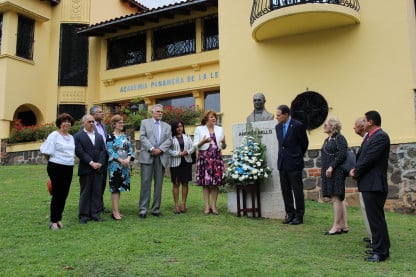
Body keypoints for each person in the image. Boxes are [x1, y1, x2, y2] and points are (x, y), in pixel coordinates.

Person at [350, 110, 391, 262]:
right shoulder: (371, 137)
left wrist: (356, 171)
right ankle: (381, 249)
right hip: (369, 183)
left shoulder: (380, 136)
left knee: (376, 219)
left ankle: (380, 252)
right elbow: (363, 157)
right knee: (376, 219)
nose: (363, 123)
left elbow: (369, 159)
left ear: (371, 122)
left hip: (374, 184)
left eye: (365, 120)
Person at [40, 113, 75, 230]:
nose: (67, 123)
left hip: (68, 167)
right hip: (56, 166)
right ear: (59, 123)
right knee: (57, 193)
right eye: (64, 121)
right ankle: (53, 221)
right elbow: (46, 151)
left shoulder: (71, 137)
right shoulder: (54, 135)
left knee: (64, 194)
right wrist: (52, 163)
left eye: (68, 121)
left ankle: (59, 218)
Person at [275, 104, 309, 225]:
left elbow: (304, 143)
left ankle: (299, 216)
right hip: (282, 163)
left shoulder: (298, 125)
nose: (277, 117)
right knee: (286, 190)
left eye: (278, 115)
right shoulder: (278, 127)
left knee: (297, 190)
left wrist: (297, 155)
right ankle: (290, 214)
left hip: (294, 163)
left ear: (286, 114)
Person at [138, 104, 172, 218]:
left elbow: (169, 140)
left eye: (161, 112)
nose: (160, 113)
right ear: (152, 113)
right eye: (158, 111)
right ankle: (143, 209)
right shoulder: (144, 122)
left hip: (161, 156)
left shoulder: (167, 126)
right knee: (145, 183)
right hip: (148, 155)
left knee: (159, 184)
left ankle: (156, 209)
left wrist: (160, 149)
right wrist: (152, 149)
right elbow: (142, 137)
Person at [74, 115, 107, 224]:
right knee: (85, 192)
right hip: (86, 168)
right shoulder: (78, 136)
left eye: (93, 122)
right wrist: (91, 163)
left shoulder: (99, 136)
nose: (92, 123)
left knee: (97, 192)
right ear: (83, 123)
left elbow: (103, 150)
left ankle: (95, 214)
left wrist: (100, 163)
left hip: (98, 169)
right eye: (89, 122)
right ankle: (84, 215)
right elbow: (80, 152)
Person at [193, 110, 226, 215]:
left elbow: (223, 147)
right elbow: (195, 145)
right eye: (212, 117)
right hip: (204, 158)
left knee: (215, 184)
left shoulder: (220, 129)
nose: (214, 118)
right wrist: (203, 141)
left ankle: (214, 206)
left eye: (215, 117)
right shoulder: (199, 129)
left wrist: (224, 143)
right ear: (206, 118)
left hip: (216, 158)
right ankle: (207, 206)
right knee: (206, 184)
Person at [321, 117, 349, 235]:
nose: (324, 126)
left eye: (326, 125)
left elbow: (342, 154)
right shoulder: (328, 139)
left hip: (336, 171)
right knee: (338, 198)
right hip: (328, 171)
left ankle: (336, 226)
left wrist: (332, 166)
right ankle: (344, 225)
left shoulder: (339, 138)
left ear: (332, 126)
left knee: (336, 197)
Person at [107, 115, 135, 220]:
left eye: (122, 122)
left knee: (119, 188)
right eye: (119, 122)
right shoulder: (109, 137)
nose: (121, 124)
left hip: (124, 166)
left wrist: (128, 159)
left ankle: (117, 210)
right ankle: (115, 212)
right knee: (115, 188)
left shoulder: (125, 137)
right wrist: (120, 160)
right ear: (114, 124)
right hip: (115, 166)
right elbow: (110, 151)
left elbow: (130, 150)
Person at [168, 120, 195, 214]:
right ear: (174, 128)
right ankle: (176, 206)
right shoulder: (170, 138)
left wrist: (187, 152)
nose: (180, 128)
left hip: (186, 162)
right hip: (175, 163)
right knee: (176, 184)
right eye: (178, 126)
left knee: (185, 183)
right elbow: (168, 150)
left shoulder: (187, 137)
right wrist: (178, 153)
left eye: (181, 126)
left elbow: (193, 147)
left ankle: (183, 204)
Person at [353, 117, 372, 245]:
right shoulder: (366, 139)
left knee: (371, 213)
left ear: (362, 126)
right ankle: (372, 236)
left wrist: (356, 171)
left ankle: (375, 238)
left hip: (369, 181)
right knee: (366, 211)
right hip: (364, 180)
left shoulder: (371, 138)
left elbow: (367, 159)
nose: (353, 128)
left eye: (355, 125)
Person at [90, 105, 109, 214]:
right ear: (93, 114)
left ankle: (100, 205)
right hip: (94, 160)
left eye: (102, 112)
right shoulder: (88, 125)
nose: (103, 114)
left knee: (102, 182)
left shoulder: (103, 126)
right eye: (100, 112)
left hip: (104, 158)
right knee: (95, 183)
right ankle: (94, 206)